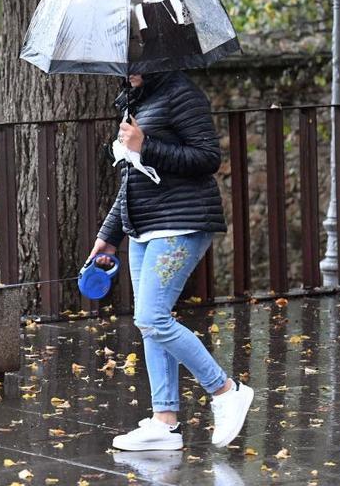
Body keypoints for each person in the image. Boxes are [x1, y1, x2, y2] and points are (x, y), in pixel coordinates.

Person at [88, 71, 254, 451]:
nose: (128, 66)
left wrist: (146, 144)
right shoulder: (134, 101)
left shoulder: (182, 93)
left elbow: (207, 157)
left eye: (136, 56)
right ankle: (164, 422)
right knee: (150, 323)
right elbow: (132, 178)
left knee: (152, 318)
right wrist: (108, 236)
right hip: (143, 230)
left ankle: (226, 391)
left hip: (182, 223)